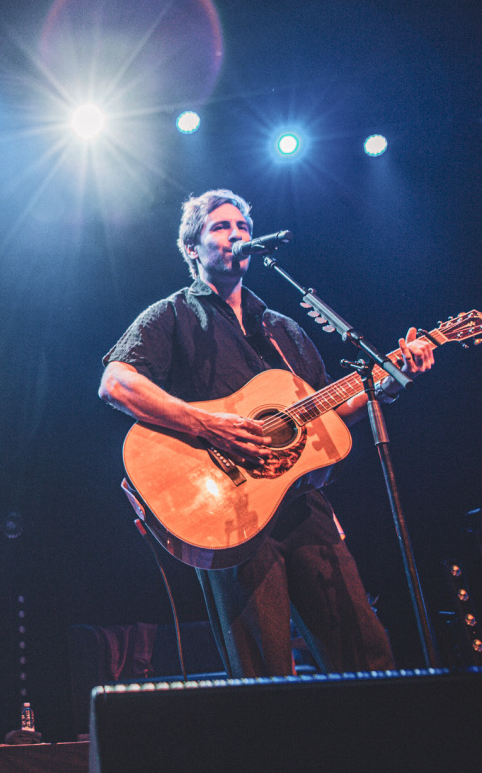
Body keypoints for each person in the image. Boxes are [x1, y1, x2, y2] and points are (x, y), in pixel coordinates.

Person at [98, 189, 435, 678]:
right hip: (228, 512)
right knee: (264, 673)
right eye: (220, 226)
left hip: (304, 507)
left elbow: (331, 413)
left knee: (367, 654)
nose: (236, 234)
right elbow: (116, 383)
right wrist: (208, 424)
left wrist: (389, 379)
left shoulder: (282, 329)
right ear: (191, 247)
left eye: (243, 227)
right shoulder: (171, 315)